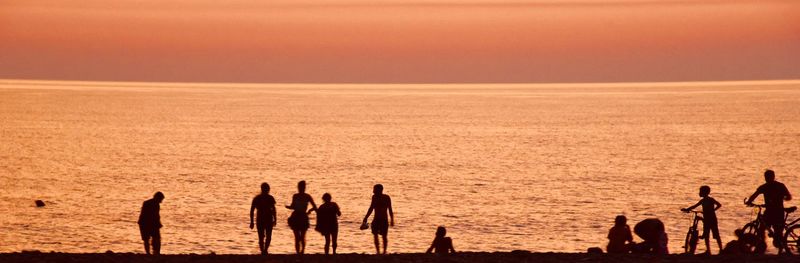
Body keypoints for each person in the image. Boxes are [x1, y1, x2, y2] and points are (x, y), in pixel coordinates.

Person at [746, 169, 792, 254]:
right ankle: (780, 248)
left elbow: (754, 195)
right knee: (778, 232)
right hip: (779, 211)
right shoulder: (781, 185)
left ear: (766, 178)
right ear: (773, 177)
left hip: (770, 212)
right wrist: (783, 198)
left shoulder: (764, 186)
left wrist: (749, 202)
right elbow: (789, 197)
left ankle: (762, 247)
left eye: (766, 177)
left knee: (761, 229)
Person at [682, 185, 723, 254]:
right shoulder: (702, 201)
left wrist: (712, 210)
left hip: (712, 219)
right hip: (707, 219)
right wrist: (687, 209)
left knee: (715, 234)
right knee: (707, 234)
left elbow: (719, 205)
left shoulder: (710, 199)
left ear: (704, 193)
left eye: (700, 191)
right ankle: (708, 250)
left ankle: (721, 249)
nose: (699, 193)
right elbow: (694, 206)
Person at [286, 180, 317, 255]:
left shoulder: (307, 196)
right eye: (300, 187)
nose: (301, 188)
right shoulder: (296, 196)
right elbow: (293, 206)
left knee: (301, 236)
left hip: (302, 216)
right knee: (297, 236)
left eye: (301, 187)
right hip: (296, 216)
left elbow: (315, 207)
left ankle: (302, 251)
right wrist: (288, 207)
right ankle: (298, 252)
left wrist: (309, 211)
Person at [362, 184, 394, 254]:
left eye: (374, 190)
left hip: (384, 220)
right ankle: (378, 251)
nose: (373, 191)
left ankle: (384, 251)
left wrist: (392, 219)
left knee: (384, 236)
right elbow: (371, 208)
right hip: (376, 219)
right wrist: (366, 217)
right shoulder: (374, 197)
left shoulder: (386, 197)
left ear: (379, 190)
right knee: (375, 235)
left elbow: (390, 209)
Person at [250, 183, 277, 255]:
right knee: (262, 236)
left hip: (266, 219)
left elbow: (274, 209)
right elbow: (252, 210)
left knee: (266, 236)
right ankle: (263, 250)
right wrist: (251, 222)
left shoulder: (269, 198)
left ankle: (264, 250)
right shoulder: (258, 198)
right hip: (263, 219)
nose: (267, 190)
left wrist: (275, 219)